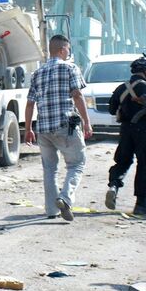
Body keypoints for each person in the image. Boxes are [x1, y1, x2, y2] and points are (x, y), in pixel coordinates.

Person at [24, 34, 93, 221]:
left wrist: (28, 128)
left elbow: (30, 103)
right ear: (63, 49)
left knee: (49, 169)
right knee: (77, 163)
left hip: (43, 129)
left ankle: (51, 210)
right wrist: (86, 122)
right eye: (68, 49)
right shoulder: (70, 68)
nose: (68, 52)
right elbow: (77, 96)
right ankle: (65, 197)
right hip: (65, 126)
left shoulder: (37, 73)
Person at [106, 56, 146, 215]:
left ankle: (114, 185)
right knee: (144, 165)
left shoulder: (121, 88)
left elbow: (111, 109)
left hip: (125, 130)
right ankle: (141, 204)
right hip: (144, 131)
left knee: (123, 161)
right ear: (145, 71)